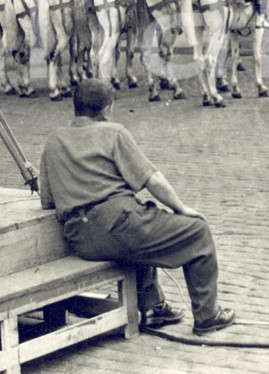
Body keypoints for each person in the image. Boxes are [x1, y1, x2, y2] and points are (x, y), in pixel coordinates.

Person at [40, 78, 236, 335]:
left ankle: (154, 307)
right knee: (196, 231)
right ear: (107, 109)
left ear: (75, 107)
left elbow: (48, 201)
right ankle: (208, 315)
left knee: (143, 220)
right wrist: (181, 208)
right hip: (118, 225)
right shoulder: (113, 132)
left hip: (81, 239)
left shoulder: (53, 141)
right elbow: (152, 180)